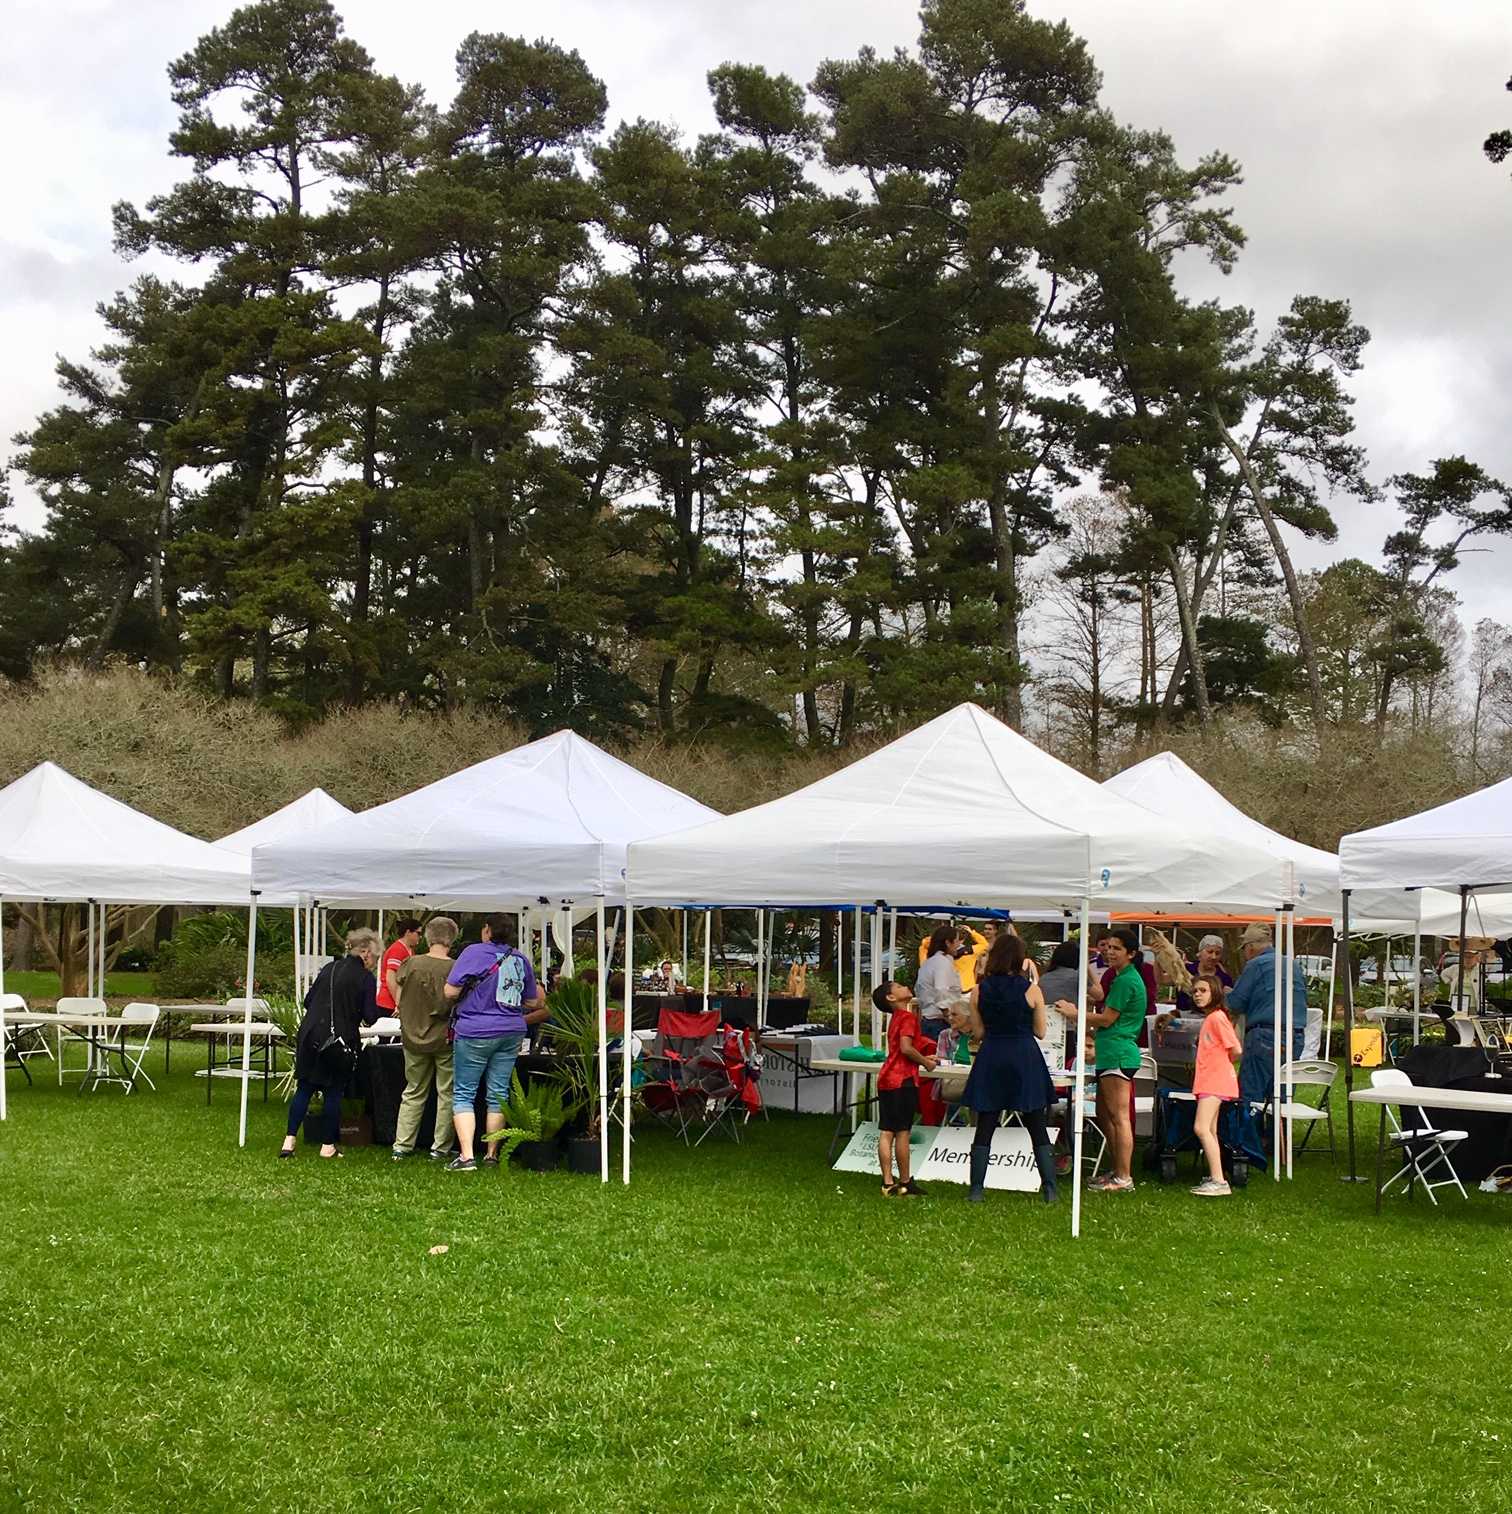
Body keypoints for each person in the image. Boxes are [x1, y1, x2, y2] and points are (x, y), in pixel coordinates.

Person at [444, 914, 549, 1172]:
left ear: (487, 930)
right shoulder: (520, 958)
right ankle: (492, 1154)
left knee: (464, 1092)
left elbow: (449, 991)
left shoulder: (472, 952)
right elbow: (534, 1001)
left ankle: (467, 1156)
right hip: (511, 1030)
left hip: (475, 1030)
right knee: (498, 1093)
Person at [963, 933, 1058, 1204]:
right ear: (1020, 958)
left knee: (986, 1123)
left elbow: (978, 1031)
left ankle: (977, 1189)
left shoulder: (979, 990)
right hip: (1023, 1056)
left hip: (992, 1054)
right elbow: (1040, 1031)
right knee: (1036, 1123)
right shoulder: (1032, 990)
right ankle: (1049, 1188)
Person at [1055, 926, 1145, 1192]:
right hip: (1109, 1051)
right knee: (1105, 1114)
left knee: (1119, 1117)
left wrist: (1075, 1014)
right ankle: (1117, 1169)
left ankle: (1124, 1177)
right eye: (1108, 947)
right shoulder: (1119, 978)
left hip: (1119, 1053)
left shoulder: (1127, 979)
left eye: (1117, 948)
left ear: (1131, 953)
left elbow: (1108, 1018)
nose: (1110, 952)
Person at [280, 928, 382, 1160]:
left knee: (305, 1088)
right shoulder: (365, 978)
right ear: (365, 953)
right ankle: (328, 1145)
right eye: (375, 957)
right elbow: (370, 1016)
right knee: (333, 1092)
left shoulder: (328, 968)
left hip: (310, 1034)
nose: (375, 962)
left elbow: (308, 1001)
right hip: (338, 1040)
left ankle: (289, 1140)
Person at [391, 915, 460, 1162]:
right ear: (452, 939)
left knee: (413, 1092)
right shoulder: (455, 967)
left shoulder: (410, 963)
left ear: (428, 938)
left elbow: (398, 998)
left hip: (412, 1037)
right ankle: (440, 1147)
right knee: (447, 1093)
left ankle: (402, 1145)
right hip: (444, 1039)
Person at [1227, 923, 1307, 1107]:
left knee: (1251, 1093)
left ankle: (1250, 1134)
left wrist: (1226, 993)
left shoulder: (1256, 965)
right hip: (1295, 1035)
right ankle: (1277, 1134)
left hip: (1265, 1034)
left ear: (1251, 947)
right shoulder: (1293, 964)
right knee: (1282, 1093)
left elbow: (1235, 1003)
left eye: (1244, 949)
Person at [872, 980, 937, 1197]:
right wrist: (926, 1062)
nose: (904, 987)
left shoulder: (896, 1019)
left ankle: (887, 1181)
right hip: (903, 1080)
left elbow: (900, 1050)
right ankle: (905, 1182)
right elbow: (906, 1048)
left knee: (887, 1130)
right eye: (898, 986)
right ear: (891, 997)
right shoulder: (908, 1017)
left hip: (887, 1078)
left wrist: (922, 1057)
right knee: (902, 1132)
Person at [1189, 975, 1243, 1198]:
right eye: (1195, 991)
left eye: (1203, 990)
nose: (1198, 995)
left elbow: (1236, 1049)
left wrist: (1221, 1064)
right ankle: (1216, 1176)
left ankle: (1219, 1181)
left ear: (1215, 993)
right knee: (1210, 1130)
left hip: (1215, 1080)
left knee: (1201, 1128)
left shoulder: (1216, 1018)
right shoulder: (1213, 1017)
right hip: (1213, 1080)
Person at [915, 925, 965, 1042]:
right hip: (939, 1022)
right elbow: (941, 991)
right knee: (942, 1058)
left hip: (929, 1020)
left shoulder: (929, 962)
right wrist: (951, 1019)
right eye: (957, 940)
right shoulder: (942, 963)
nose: (959, 945)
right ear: (948, 942)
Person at [1177, 934, 1233, 1013]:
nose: (1214, 957)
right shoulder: (1186, 970)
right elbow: (1161, 979)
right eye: (1210, 952)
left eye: (1217, 953)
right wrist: (1158, 957)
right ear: (1200, 952)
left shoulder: (1224, 979)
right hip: (1183, 1018)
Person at [376, 918, 422, 1014]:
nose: (420, 937)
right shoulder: (397, 950)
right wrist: (399, 1003)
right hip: (389, 1004)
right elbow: (390, 978)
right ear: (408, 932)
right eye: (418, 933)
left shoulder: (409, 950)